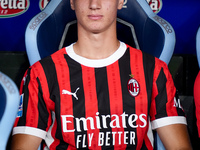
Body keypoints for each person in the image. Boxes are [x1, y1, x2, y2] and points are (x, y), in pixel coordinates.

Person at [11, 0, 192, 149]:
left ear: (120, 1)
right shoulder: (40, 74)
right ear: (72, 2)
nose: (94, 4)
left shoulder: (154, 70)